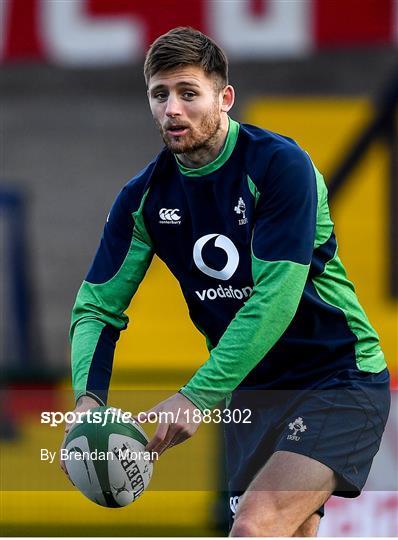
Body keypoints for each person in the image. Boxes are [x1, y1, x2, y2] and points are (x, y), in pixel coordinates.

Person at [61, 27, 390, 537]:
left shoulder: (281, 166)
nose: (173, 109)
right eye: (160, 94)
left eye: (188, 93)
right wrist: (87, 404)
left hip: (336, 377)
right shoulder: (142, 199)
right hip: (252, 394)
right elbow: (96, 308)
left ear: (224, 97)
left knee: (254, 527)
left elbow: (275, 298)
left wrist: (195, 396)